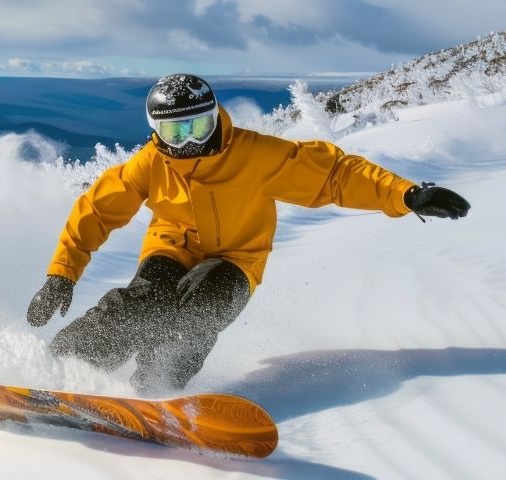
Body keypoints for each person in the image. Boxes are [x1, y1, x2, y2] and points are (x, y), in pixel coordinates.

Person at [25, 74, 470, 392]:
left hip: (237, 259)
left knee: (196, 314)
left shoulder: (255, 155)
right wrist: (61, 274)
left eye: (196, 126)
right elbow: (98, 210)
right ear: (154, 131)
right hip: (171, 247)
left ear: (214, 117)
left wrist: (406, 194)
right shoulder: (151, 162)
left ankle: (154, 389)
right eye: (173, 131)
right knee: (140, 306)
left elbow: (334, 175)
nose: (187, 142)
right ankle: (62, 368)